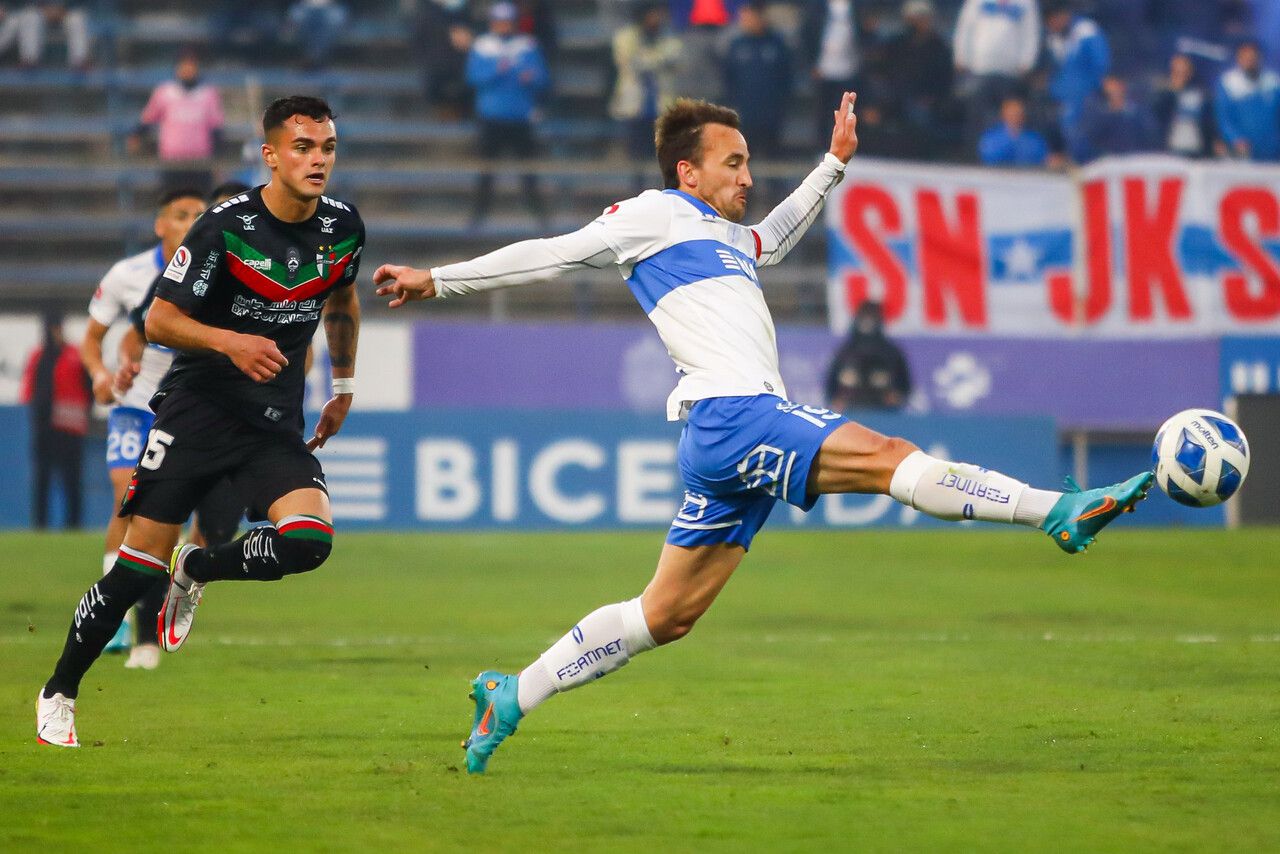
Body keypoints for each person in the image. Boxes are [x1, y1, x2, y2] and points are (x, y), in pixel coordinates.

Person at [372, 93, 1154, 774]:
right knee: (889, 459)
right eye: (733, 162)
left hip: (723, 436)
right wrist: (437, 278)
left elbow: (774, 237)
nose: (747, 176)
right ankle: (1054, 510)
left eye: (748, 162)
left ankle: (513, 694)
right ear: (689, 171)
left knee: (664, 615)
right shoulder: (651, 216)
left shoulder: (729, 238)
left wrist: (833, 164)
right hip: (732, 413)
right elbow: (552, 253)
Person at [35, 95, 364, 749]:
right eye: (302, 147)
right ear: (270, 155)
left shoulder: (343, 226)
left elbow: (343, 302)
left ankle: (203, 568)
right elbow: (159, 320)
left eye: (326, 147)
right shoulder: (226, 225)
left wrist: (344, 386)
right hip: (195, 416)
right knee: (134, 571)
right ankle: (59, 691)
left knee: (309, 541)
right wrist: (231, 342)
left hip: (271, 424)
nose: (318, 159)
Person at [80, 187, 207, 668]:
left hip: (186, 407)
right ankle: (114, 618)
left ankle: (148, 611)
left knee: (163, 515)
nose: (192, 221)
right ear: (160, 224)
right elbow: (93, 339)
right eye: (181, 214)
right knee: (125, 495)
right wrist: (100, 374)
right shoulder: (128, 275)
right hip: (134, 403)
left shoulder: (219, 269)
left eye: (200, 214)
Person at [465, 1, 550, 227]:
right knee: (486, 172)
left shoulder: (527, 46)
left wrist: (529, 77)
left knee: (528, 172)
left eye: (507, 22)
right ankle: (478, 217)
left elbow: (542, 78)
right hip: (491, 118)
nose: (503, 26)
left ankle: (539, 217)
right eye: (499, 22)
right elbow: (473, 77)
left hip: (521, 118)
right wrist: (497, 69)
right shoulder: (483, 46)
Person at [21, 311, 90, 530]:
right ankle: (40, 526)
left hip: (71, 430)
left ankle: (73, 526)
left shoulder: (75, 355)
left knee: (72, 481)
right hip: (45, 430)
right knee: (42, 480)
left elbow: (88, 389)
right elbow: (30, 391)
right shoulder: (38, 357)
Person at [952, 0, 1040, 154]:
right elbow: (965, 26)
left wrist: (1027, 60)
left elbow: (1031, 31)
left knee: (1010, 117)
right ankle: (975, 156)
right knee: (977, 117)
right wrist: (960, 55)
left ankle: (1011, 157)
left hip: (1010, 71)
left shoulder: (1026, 3)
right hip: (980, 68)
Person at [129, 52, 224, 193]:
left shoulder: (208, 94)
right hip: (172, 161)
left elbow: (216, 128)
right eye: (184, 66)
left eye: (191, 66)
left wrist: (218, 160)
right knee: (172, 201)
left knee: (202, 204)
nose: (187, 70)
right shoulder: (164, 92)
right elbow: (148, 118)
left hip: (200, 162)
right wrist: (136, 136)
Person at [881, 0, 953, 161]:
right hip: (896, 95)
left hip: (926, 99)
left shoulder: (938, 47)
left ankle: (919, 157)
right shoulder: (897, 44)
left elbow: (944, 79)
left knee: (920, 115)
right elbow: (885, 71)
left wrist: (932, 97)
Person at [610, 2, 683, 161]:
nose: (657, 18)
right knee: (636, 152)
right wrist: (660, 59)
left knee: (661, 153)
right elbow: (633, 63)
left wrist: (651, 58)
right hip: (634, 104)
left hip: (661, 104)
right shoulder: (626, 37)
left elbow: (676, 56)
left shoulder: (668, 37)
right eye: (653, 14)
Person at [722, 1, 791, 159]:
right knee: (744, 159)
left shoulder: (777, 44)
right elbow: (728, 79)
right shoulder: (737, 45)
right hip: (744, 114)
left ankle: (775, 185)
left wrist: (780, 104)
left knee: (773, 157)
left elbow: (786, 77)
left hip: (771, 114)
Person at [1044, 1, 1110, 163]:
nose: (1051, 25)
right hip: (1059, 97)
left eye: (1053, 20)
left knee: (1076, 131)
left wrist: (1090, 89)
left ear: (1063, 15)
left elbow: (1101, 64)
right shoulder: (1053, 36)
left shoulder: (1086, 30)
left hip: (1084, 97)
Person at [824, 301, 910, 411]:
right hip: (851, 409)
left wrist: (896, 396)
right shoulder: (845, 352)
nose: (868, 322)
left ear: (879, 319)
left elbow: (904, 385)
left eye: (872, 316)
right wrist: (836, 399)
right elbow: (831, 386)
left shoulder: (891, 352)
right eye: (865, 316)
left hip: (884, 410)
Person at [802, 1, 862, 150]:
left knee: (848, 112)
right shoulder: (817, 7)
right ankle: (822, 147)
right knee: (823, 112)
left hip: (850, 70)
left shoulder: (859, 6)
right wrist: (811, 64)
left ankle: (847, 147)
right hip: (823, 70)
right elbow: (807, 34)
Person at [1214, 40, 1280, 162]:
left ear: (1260, 58)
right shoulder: (1228, 83)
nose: (1249, 61)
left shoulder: (1274, 83)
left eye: (1253, 57)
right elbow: (1223, 118)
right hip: (1241, 152)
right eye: (1245, 57)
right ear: (1238, 58)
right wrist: (1235, 139)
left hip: (1273, 153)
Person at [1153, 53, 1218, 159]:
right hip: (1170, 150)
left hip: (1197, 150)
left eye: (1184, 71)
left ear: (1190, 71)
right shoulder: (1162, 92)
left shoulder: (1201, 94)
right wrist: (1171, 92)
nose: (1181, 75)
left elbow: (1209, 121)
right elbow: (1157, 116)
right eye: (1177, 72)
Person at [1081, 74, 1155, 161]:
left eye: (1117, 85)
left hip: (1136, 157)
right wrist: (1111, 113)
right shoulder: (1096, 111)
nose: (1114, 89)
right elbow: (1090, 135)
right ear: (1105, 86)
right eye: (1111, 85)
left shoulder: (1137, 111)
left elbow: (1150, 133)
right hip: (1106, 158)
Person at [0, 2, 90, 69]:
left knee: (77, 19)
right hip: (32, 15)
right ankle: (29, 61)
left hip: (64, 15)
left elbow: (80, 4)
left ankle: (79, 62)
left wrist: (61, 10)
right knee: (30, 16)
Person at [978, 95, 1049, 166]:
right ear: (1004, 115)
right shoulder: (990, 138)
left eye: (1018, 113)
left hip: (1028, 175)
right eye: (1012, 114)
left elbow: (1044, 158)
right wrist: (1012, 140)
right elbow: (988, 157)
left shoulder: (1034, 139)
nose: (1015, 117)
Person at [285, 0, 347, 70]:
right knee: (297, 18)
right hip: (304, 6)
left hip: (332, 7)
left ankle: (314, 58)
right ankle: (313, 58)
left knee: (334, 21)